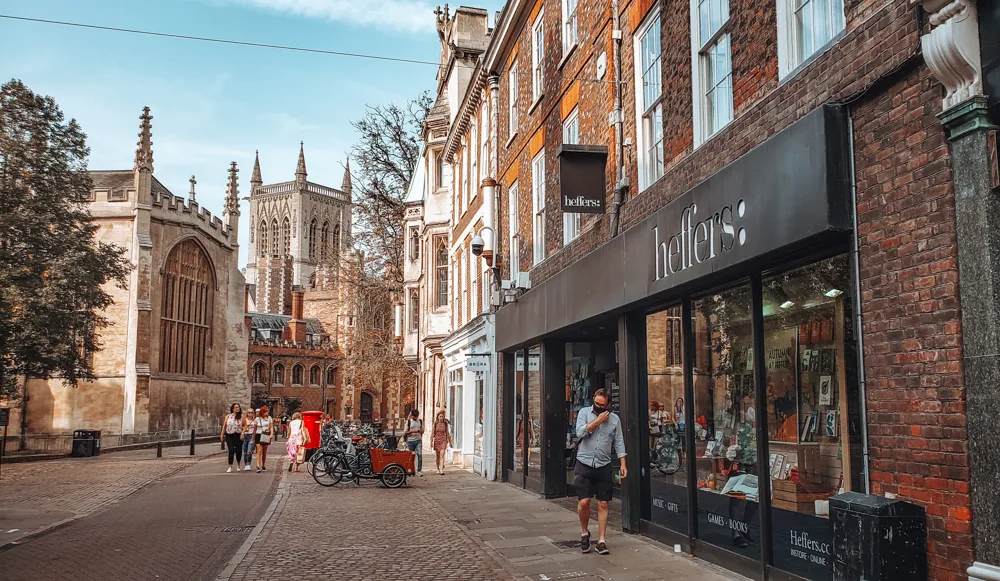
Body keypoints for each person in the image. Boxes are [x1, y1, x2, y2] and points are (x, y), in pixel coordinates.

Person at [574, 388, 627, 555]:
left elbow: (619, 442)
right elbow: (579, 432)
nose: (599, 407)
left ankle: (602, 540)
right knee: (584, 502)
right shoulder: (584, 413)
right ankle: (584, 533)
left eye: (602, 405)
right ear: (593, 401)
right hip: (584, 462)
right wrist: (597, 422)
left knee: (603, 503)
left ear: (608, 405)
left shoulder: (614, 420)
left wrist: (623, 463)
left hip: (603, 465)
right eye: (597, 404)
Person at [220, 403, 244, 473]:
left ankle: (238, 463)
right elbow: (224, 426)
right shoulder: (228, 416)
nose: (237, 408)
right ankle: (230, 466)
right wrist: (222, 435)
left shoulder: (241, 417)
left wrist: (242, 433)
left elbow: (245, 425)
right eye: (236, 407)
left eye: (238, 407)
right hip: (229, 435)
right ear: (233, 408)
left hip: (238, 435)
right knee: (231, 450)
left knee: (238, 450)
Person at [402, 408, 424, 476]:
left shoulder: (420, 421)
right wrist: (411, 431)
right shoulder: (408, 422)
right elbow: (405, 432)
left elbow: (422, 430)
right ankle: (411, 470)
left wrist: (420, 432)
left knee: (420, 455)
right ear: (412, 416)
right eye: (414, 416)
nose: (415, 418)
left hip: (418, 441)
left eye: (416, 416)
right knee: (411, 457)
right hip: (410, 441)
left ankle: (419, 470)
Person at [431, 409, 453, 475]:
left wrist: (450, 442)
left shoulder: (445, 424)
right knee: (437, 456)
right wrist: (431, 441)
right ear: (438, 417)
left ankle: (441, 470)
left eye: (442, 416)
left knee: (442, 455)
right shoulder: (435, 424)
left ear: (443, 417)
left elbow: (447, 433)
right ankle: (437, 468)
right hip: (437, 440)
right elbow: (432, 433)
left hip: (443, 440)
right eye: (440, 416)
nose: (441, 418)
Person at [254, 406, 275, 472]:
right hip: (258, 434)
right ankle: (258, 466)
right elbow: (255, 429)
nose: (267, 412)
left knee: (264, 451)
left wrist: (271, 434)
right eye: (266, 411)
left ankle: (263, 464)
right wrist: (252, 438)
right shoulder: (257, 419)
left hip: (266, 434)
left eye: (267, 411)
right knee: (259, 451)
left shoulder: (269, 418)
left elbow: (271, 427)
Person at [242, 406, 257, 471]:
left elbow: (256, 429)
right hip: (245, 436)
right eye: (249, 412)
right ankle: (245, 464)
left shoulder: (255, 420)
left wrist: (253, 438)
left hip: (251, 436)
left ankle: (248, 464)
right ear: (247, 413)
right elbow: (241, 427)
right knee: (245, 452)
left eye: (252, 412)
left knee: (249, 451)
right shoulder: (244, 419)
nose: (250, 414)